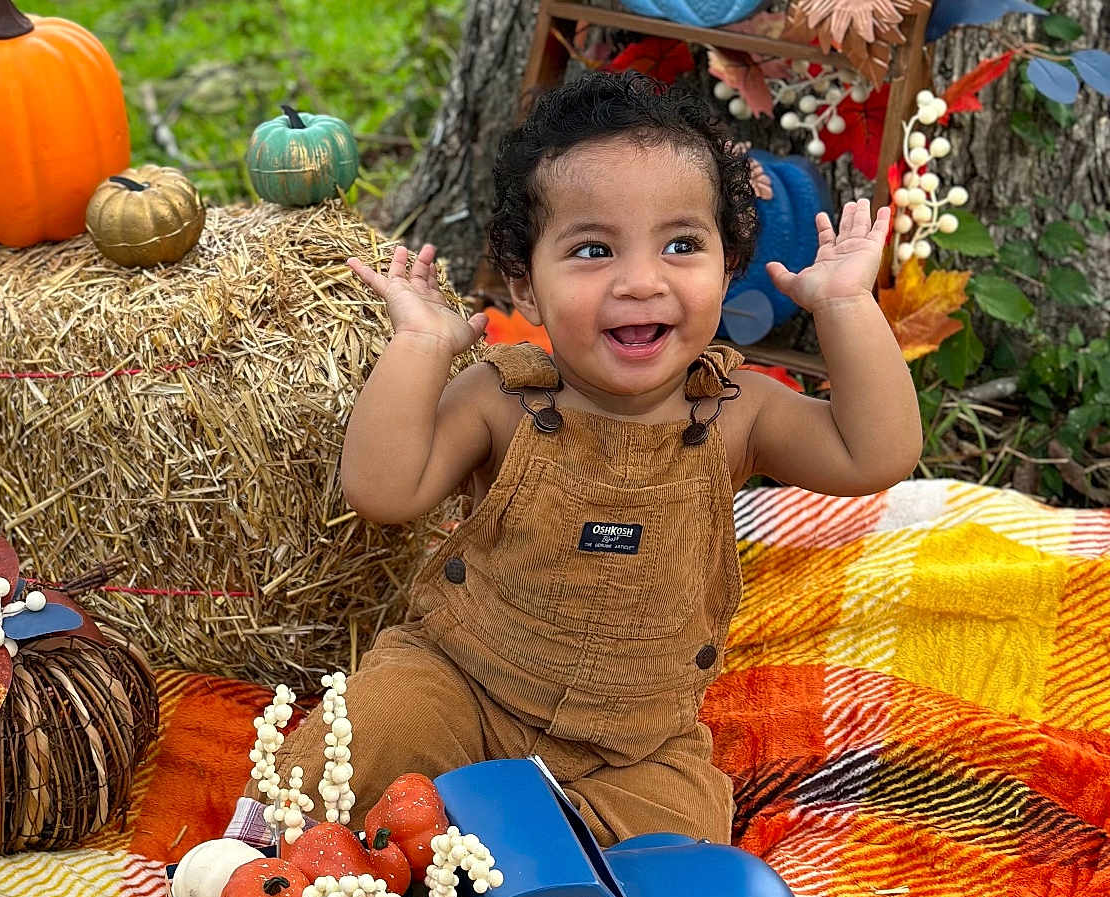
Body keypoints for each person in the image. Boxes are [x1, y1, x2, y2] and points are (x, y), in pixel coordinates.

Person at [229, 71, 922, 849]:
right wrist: (421, 345)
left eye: (682, 245)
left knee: (680, 837)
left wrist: (846, 307)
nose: (640, 280)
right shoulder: (503, 396)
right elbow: (383, 490)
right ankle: (263, 869)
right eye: (594, 249)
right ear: (526, 285)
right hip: (464, 685)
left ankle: (521, 876)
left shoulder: (736, 410)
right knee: (371, 730)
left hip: (635, 746)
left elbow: (877, 454)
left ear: (727, 269)